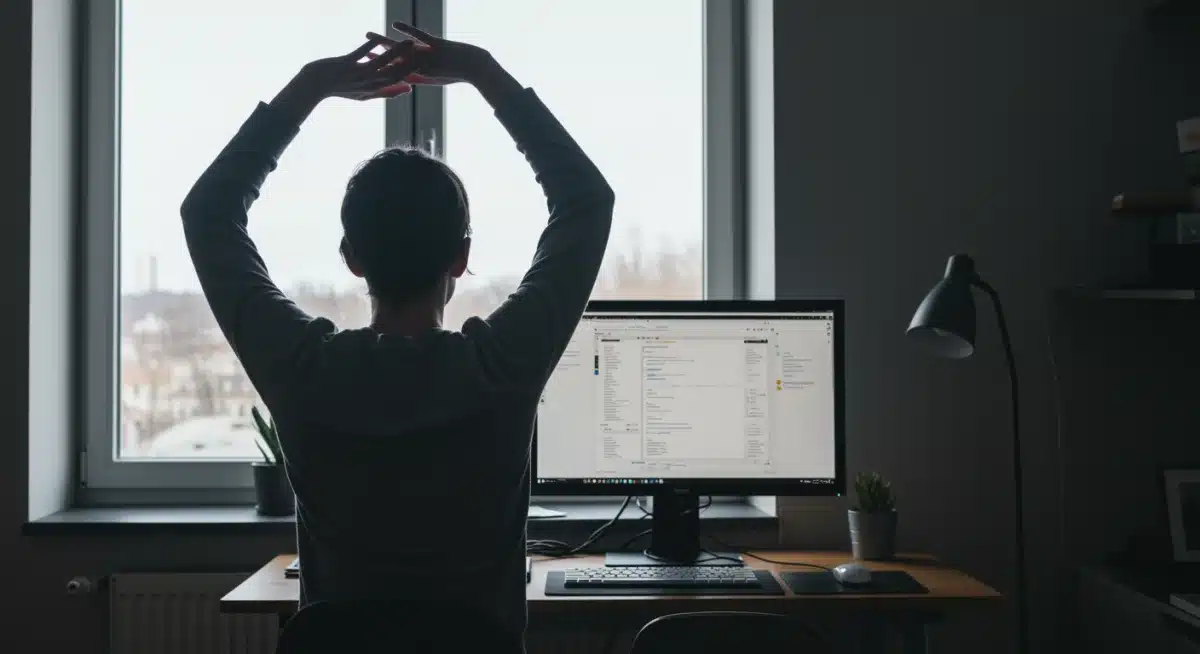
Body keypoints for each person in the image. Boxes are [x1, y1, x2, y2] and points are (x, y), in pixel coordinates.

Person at [180, 23, 614, 648]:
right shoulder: (500, 367)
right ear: (461, 257)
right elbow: (586, 202)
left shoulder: (305, 372)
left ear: (352, 258)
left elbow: (208, 214)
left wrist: (311, 87)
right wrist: (483, 72)